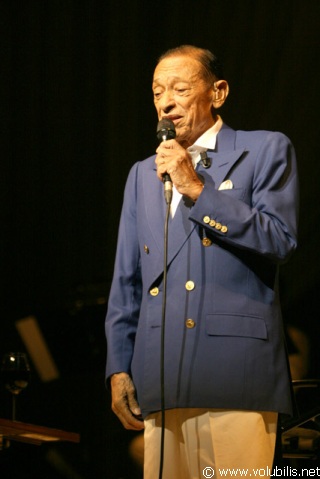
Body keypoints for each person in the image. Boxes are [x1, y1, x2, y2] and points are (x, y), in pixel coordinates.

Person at [105, 45, 299, 479]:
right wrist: (118, 366)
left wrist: (196, 188)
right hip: (159, 371)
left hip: (234, 371)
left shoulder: (264, 149)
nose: (165, 102)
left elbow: (280, 239)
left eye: (179, 88)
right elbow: (127, 280)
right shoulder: (142, 173)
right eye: (157, 92)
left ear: (218, 92)